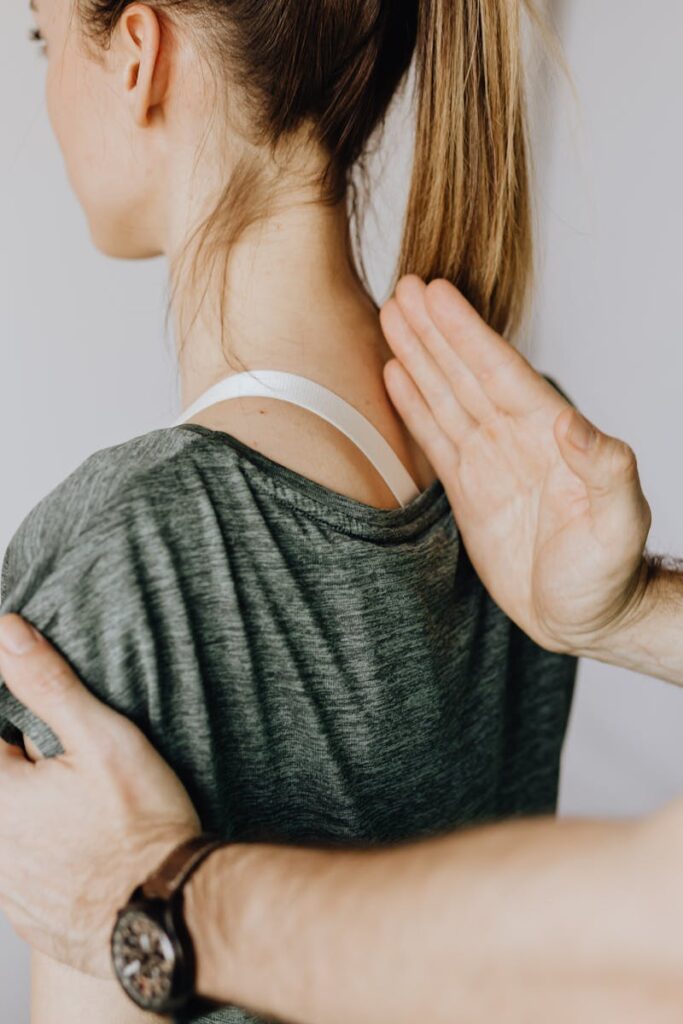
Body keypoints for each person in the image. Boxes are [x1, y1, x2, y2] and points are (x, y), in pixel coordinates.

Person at [0, 0, 586, 1020]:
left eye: (46, 39)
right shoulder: (521, 474)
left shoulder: (131, 551)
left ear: (140, 54)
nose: (46, 84)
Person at [0, 279, 682, 1022]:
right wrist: (635, 610)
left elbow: (653, 951)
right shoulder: (503, 458)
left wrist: (159, 897)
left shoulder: (127, 548)